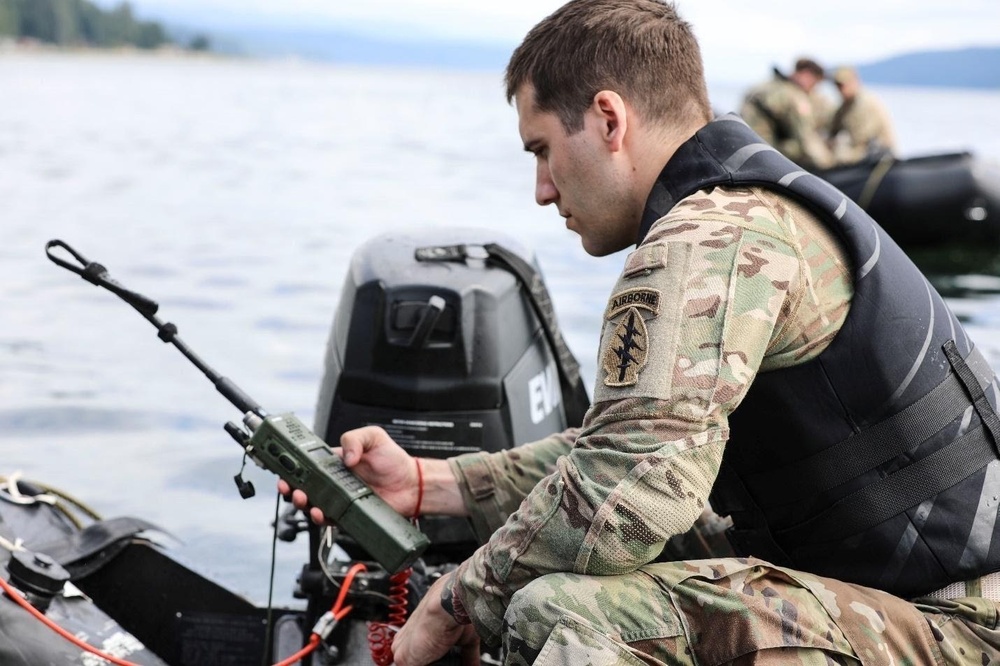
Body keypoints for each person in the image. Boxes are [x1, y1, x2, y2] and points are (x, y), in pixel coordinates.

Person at [284, 1, 1000, 664]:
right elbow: (629, 445)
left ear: (607, 119)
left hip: (956, 626)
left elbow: (619, 493)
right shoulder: (749, 208)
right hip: (901, 587)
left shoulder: (708, 239)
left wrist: (452, 604)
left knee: (559, 613)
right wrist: (430, 483)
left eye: (541, 149)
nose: (541, 188)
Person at [740, 57, 836, 170]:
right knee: (797, 148)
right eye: (815, 83)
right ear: (806, 75)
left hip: (743, 143)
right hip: (762, 154)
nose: (813, 89)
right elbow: (805, 138)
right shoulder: (794, 96)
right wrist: (828, 164)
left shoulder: (766, 85)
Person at [829, 65, 898, 165]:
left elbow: (861, 139)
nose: (840, 89)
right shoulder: (846, 105)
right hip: (863, 154)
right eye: (837, 85)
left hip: (877, 158)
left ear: (855, 82)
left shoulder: (865, 103)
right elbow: (833, 128)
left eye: (843, 85)